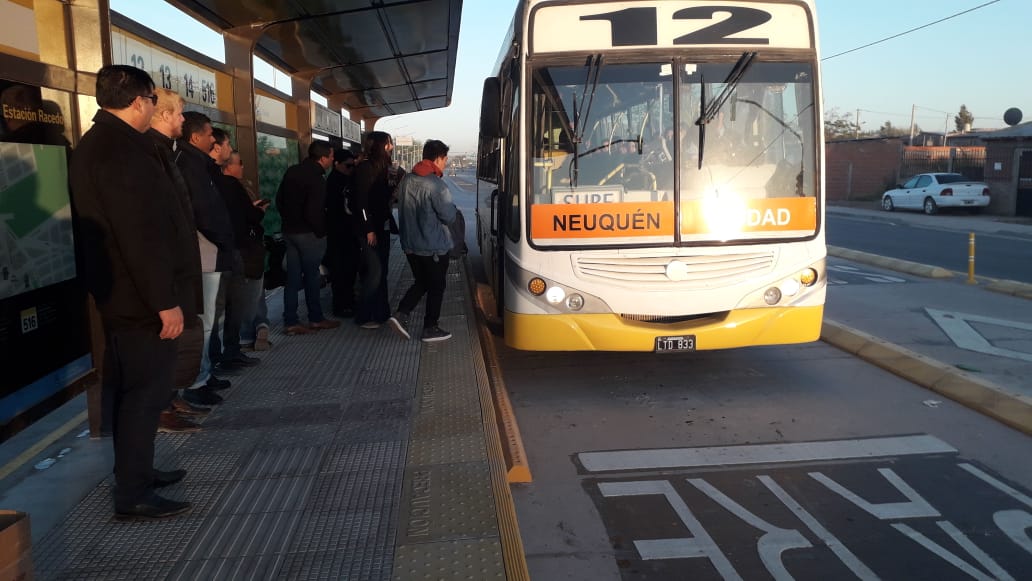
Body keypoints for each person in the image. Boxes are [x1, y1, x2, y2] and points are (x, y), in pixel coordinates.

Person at [69, 65, 194, 519]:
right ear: (140, 101)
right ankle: (134, 491)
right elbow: (140, 235)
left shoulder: (94, 145)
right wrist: (164, 300)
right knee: (145, 394)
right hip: (140, 300)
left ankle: (136, 472)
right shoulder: (122, 152)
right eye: (152, 104)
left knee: (128, 393)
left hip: (118, 297)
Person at [146, 87, 209, 433]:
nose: (183, 120)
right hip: (168, 273)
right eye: (180, 113)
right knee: (170, 344)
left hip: (179, 267)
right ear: (164, 115)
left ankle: (168, 401)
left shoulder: (165, 153)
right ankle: (161, 407)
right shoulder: (151, 154)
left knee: (182, 340)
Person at [176, 111, 239, 406]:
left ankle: (204, 372)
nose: (214, 139)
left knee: (212, 318)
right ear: (195, 137)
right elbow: (202, 211)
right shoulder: (189, 165)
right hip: (205, 254)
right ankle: (196, 381)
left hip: (211, 252)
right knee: (204, 320)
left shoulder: (199, 165)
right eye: (210, 133)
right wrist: (223, 238)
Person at [386, 139, 457, 342]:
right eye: (445, 160)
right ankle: (430, 327)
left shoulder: (407, 179)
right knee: (437, 287)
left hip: (410, 246)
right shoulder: (436, 184)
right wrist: (452, 208)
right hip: (433, 247)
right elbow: (448, 216)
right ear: (438, 158)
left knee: (423, 281)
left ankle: (401, 314)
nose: (445, 164)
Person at [276, 140, 341, 334]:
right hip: (309, 235)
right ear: (322, 158)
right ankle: (315, 318)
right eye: (331, 156)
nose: (332, 160)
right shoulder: (317, 179)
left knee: (293, 278)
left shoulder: (292, 171)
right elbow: (314, 211)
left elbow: (279, 200)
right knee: (313, 276)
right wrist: (321, 232)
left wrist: (288, 221)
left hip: (290, 232)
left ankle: (290, 321)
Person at [218, 150, 268, 365]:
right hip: (241, 250)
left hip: (234, 250)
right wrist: (258, 212)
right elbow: (247, 217)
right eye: (239, 163)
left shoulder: (224, 185)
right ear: (228, 166)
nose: (242, 167)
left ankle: (246, 335)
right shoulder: (232, 186)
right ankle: (241, 339)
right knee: (242, 298)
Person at [351, 131, 395, 328]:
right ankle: (364, 315)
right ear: (380, 145)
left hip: (381, 226)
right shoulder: (365, 168)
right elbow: (360, 202)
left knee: (382, 271)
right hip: (369, 229)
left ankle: (381, 312)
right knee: (375, 272)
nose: (391, 147)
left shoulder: (383, 168)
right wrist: (368, 228)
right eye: (389, 144)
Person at [325, 148, 359, 317]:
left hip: (348, 233)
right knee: (340, 272)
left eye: (353, 166)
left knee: (350, 269)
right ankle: (341, 305)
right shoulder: (333, 183)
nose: (351, 169)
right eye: (348, 166)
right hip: (338, 234)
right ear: (336, 164)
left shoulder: (347, 180)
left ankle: (348, 302)